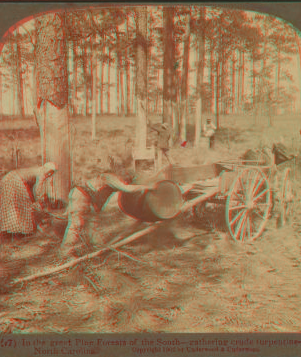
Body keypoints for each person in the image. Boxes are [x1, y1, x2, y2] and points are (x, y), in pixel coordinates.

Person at [59, 163, 150, 259]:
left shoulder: (111, 182)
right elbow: (126, 189)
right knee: (76, 224)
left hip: (89, 199)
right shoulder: (110, 177)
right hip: (81, 195)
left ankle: (97, 249)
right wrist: (148, 187)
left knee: (93, 225)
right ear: (120, 173)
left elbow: (104, 198)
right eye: (127, 176)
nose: (128, 179)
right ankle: (66, 252)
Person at [0, 162, 58, 236]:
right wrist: (40, 200)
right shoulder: (41, 173)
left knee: (15, 206)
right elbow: (37, 191)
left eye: (52, 173)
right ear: (47, 169)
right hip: (14, 180)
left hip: (9, 178)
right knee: (23, 206)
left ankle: (13, 231)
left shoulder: (40, 171)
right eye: (50, 172)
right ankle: (18, 231)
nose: (50, 174)